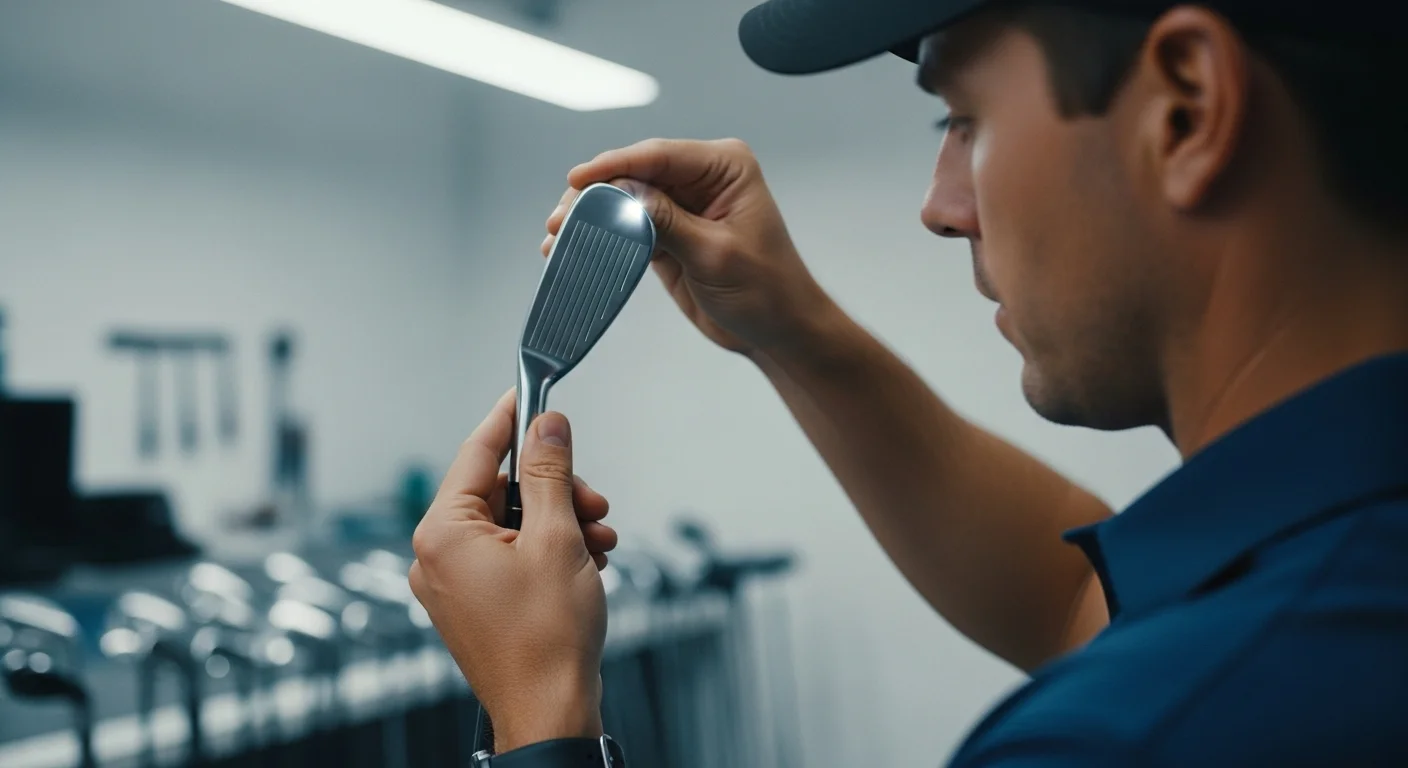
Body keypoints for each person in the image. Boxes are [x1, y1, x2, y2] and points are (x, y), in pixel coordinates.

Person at [407, 0, 1408, 764]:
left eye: (962, 117)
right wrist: (789, 329)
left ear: (1186, 109)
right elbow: (1072, 606)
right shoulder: (1327, 565)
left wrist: (541, 717)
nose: (939, 207)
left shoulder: (1125, 736)